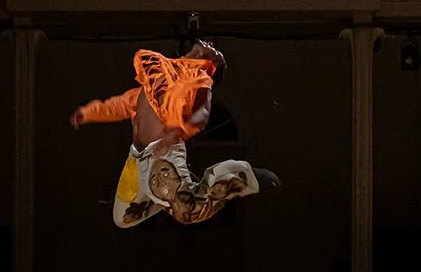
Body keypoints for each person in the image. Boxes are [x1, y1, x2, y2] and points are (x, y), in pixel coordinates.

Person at [70, 41, 280, 228]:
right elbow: (123, 104)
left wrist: (175, 134)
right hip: (137, 159)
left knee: (188, 211)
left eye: (214, 50)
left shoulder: (199, 77)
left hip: (162, 154)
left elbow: (200, 114)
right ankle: (168, 194)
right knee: (124, 217)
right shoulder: (160, 76)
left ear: (212, 64)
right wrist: (89, 112)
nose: (209, 43)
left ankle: (242, 175)